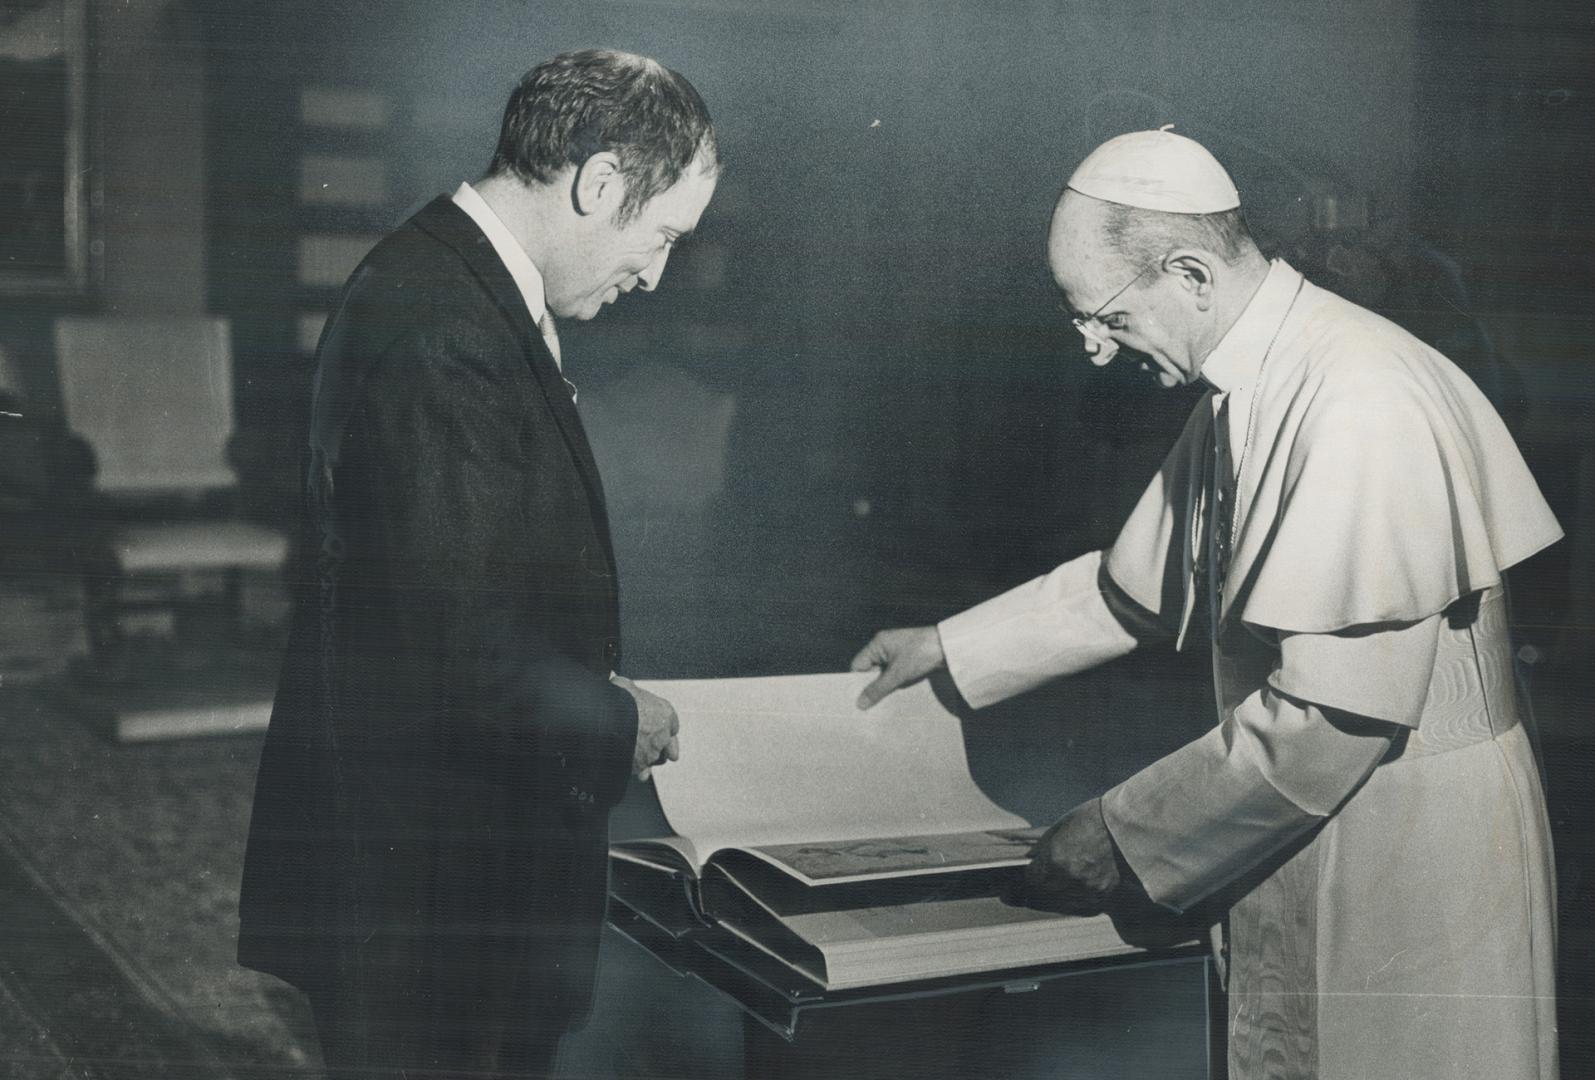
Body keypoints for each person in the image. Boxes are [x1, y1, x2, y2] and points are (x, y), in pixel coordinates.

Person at [852, 129, 1562, 1079]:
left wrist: (1120, 829)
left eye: (1102, 318)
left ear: (1189, 273)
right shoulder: (1254, 377)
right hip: (1313, 809)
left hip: (1410, 844)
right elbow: (1135, 586)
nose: (1097, 353)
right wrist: (947, 648)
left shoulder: (1358, 397)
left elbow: (1331, 720)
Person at [237, 50, 718, 1079]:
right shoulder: (444, 327)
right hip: (426, 879)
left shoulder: (451, 280)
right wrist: (612, 717)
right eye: (663, 234)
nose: (656, 273)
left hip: (434, 849)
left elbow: (460, 584)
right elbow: (452, 648)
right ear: (597, 184)